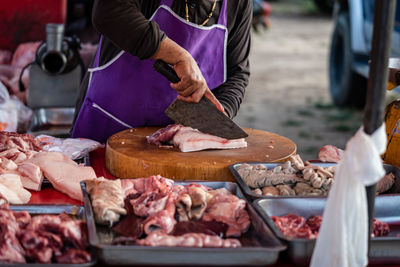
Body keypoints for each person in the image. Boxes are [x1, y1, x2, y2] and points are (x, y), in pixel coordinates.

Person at [72, 0, 252, 143]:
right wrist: (179, 56)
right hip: (104, 130)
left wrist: (218, 116)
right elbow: (109, 11)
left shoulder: (239, 4)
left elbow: (236, 73)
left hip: (172, 145)